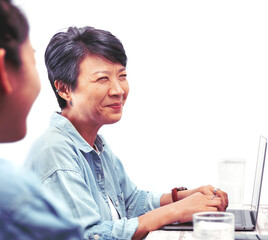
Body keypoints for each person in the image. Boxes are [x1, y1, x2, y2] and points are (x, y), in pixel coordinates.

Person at [25, 26, 229, 240]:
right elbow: (90, 236)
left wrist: (182, 198)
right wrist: (175, 211)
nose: (118, 90)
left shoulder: (93, 143)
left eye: (122, 76)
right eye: (103, 79)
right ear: (65, 89)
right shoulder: (55, 153)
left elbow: (130, 203)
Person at [0, 0, 83, 239]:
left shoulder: (100, 147)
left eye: (122, 76)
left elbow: (131, 198)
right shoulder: (14, 196)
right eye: (33, 59)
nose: (118, 90)